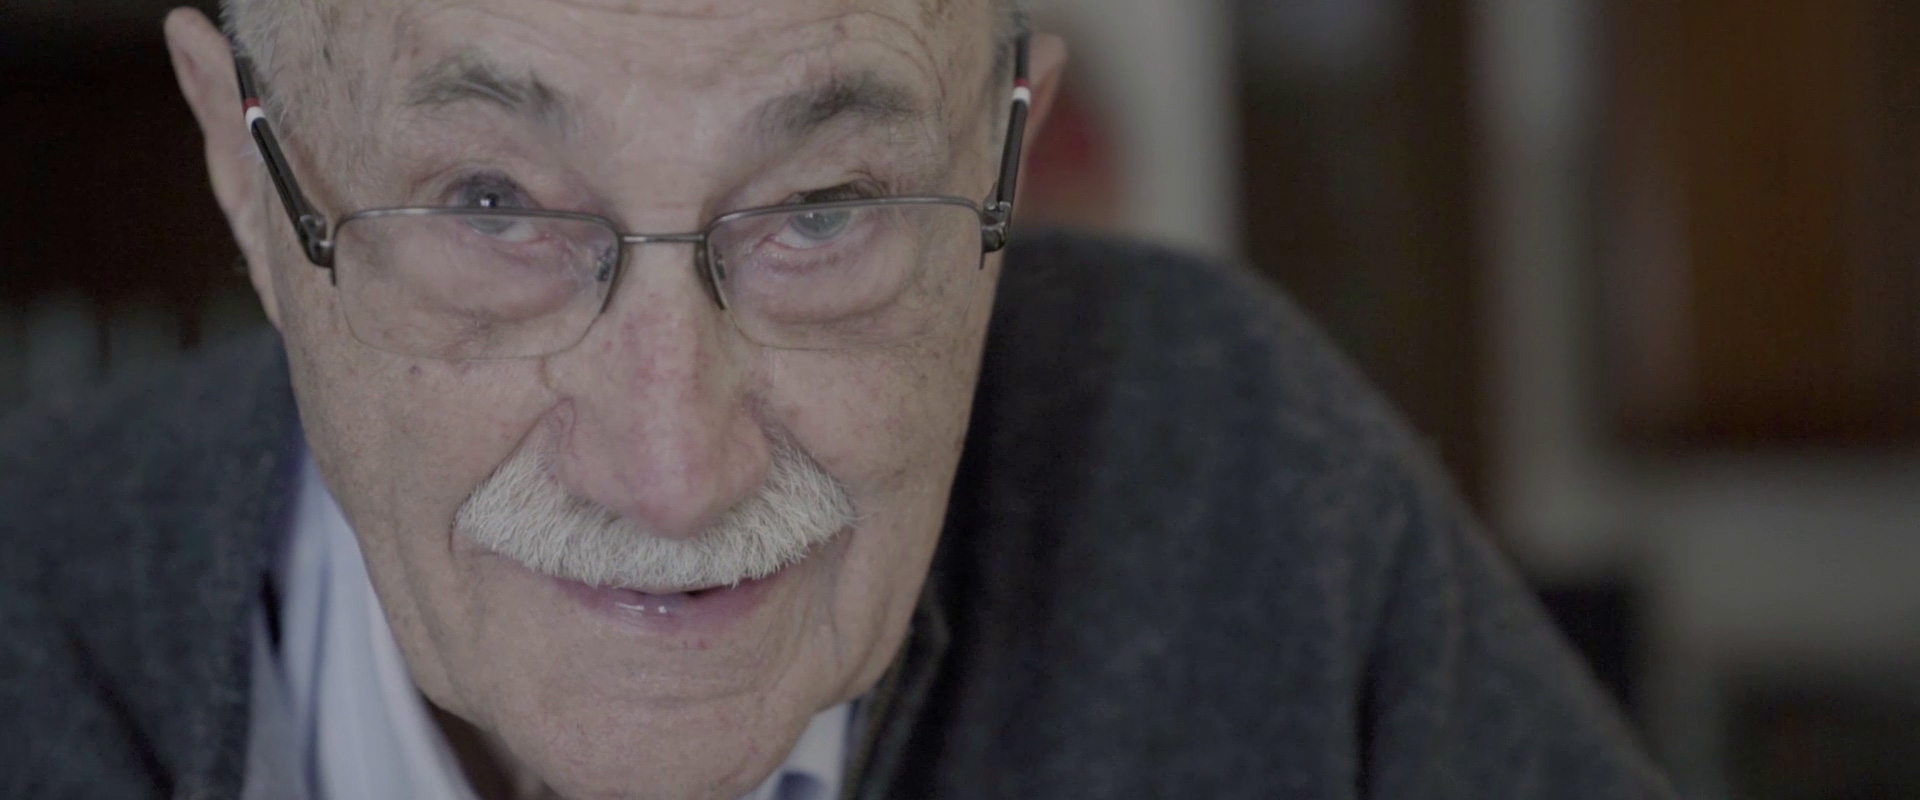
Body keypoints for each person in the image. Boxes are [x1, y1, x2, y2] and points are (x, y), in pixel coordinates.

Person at [0, 1, 1675, 798]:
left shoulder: (1236, 474)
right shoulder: (32, 633)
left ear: (1008, 157)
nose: (674, 472)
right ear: (243, 166)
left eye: (823, 210)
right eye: (491, 205)